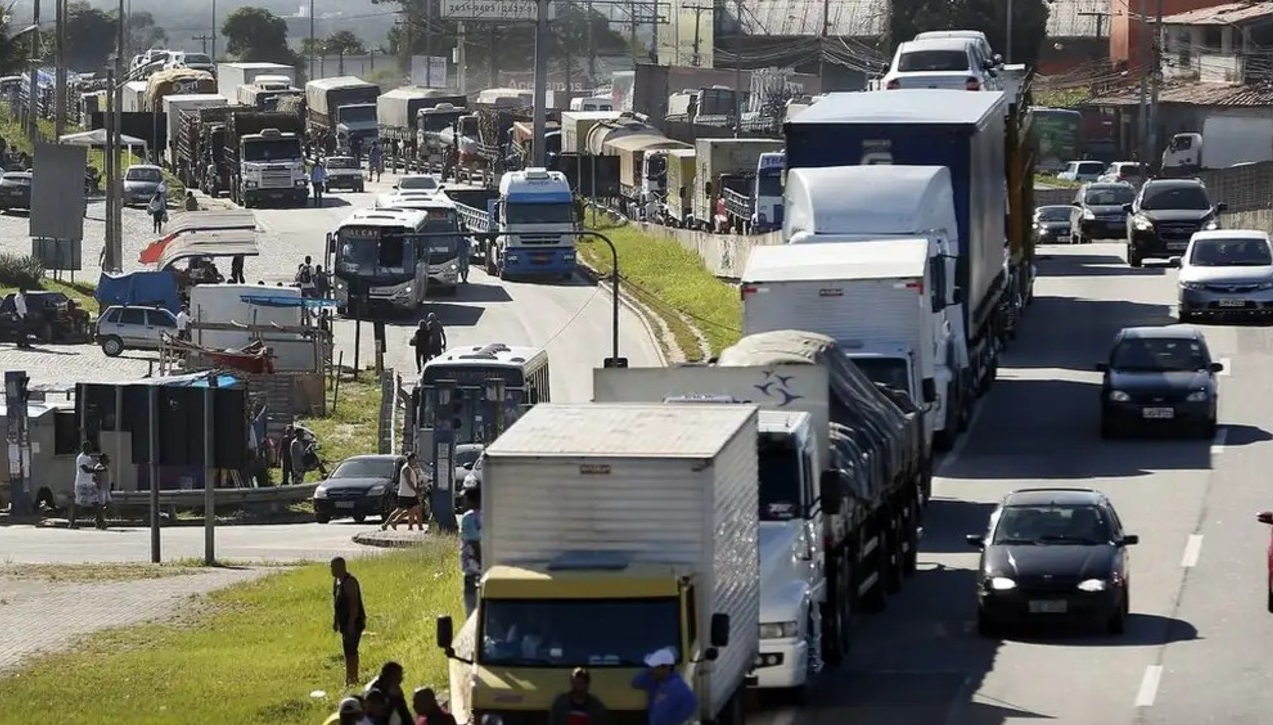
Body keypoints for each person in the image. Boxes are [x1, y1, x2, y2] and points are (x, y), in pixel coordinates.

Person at [631, 648, 697, 725]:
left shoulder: (676, 686)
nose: (652, 670)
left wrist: (672, 721)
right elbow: (635, 683)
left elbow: (691, 703)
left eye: (655, 667)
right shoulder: (658, 682)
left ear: (666, 668)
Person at [331, 556, 366, 686]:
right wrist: (336, 621)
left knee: (352, 650)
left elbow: (354, 605)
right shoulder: (337, 581)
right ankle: (349, 678)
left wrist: (351, 623)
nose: (331, 570)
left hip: (354, 621)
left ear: (341, 567)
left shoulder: (350, 582)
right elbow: (336, 602)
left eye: (334, 567)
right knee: (347, 650)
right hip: (344, 622)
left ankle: (354, 678)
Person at [458, 484, 482, 617]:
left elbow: (474, 541)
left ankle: (471, 623)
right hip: (488, 566)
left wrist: (480, 560)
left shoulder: (468, 518)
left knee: (471, 603)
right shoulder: (487, 516)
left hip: (473, 566)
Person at [382, 454, 422, 531]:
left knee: (415, 510)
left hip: (411, 494)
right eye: (414, 459)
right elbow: (409, 482)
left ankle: (412, 527)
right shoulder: (406, 468)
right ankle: (386, 524)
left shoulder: (411, 468)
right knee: (399, 510)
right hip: (405, 494)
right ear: (410, 459)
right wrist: (415, 489)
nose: (416, 461)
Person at [69, 441, 98, 529]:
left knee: (96, 502)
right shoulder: (81, 458)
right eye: (88, 447)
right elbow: (86, 470)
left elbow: (90, 471)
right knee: (78, 504)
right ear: (84, 448)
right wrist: (98, 470)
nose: (90, 449)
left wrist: (94, 478)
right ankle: (72, 523)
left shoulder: (88, 458)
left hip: (89, 483)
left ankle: (99, 521)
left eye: (91, 447)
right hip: (81, 484)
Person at [93, 453, 113, 530]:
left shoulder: (106, 467)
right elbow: (94, 477)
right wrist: (97, 485)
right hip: (101, 489)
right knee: (101, 505)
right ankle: (100, 521)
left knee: (109, 504)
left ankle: (99, 518)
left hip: (106, 488)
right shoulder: (98, 467)